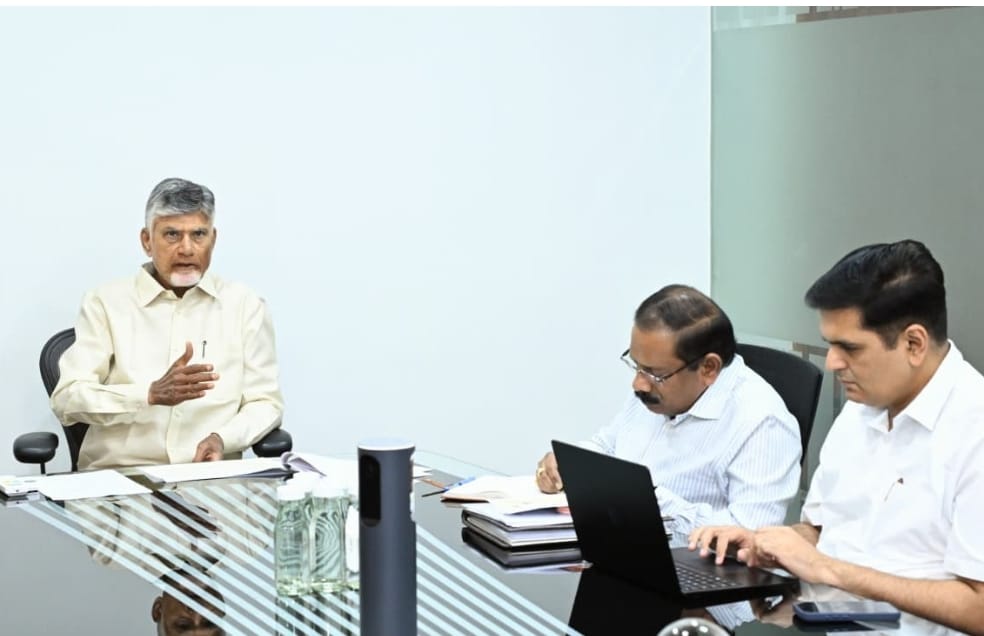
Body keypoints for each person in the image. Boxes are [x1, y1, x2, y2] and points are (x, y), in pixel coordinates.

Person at [689, 240, 984, 634]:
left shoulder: (973, 429)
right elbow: (821, 531)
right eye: (830, 344)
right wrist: (766, 545)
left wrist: (828, 570)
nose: (832, 362)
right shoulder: (863, 406)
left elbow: (978, 608)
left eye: (849, 348)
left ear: (913, 344)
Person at [51, 177, 284, 470]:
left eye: (198, 234)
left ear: (213, 239)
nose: (187, 249)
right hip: (121, 478)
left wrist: (222, 439)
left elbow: (265, 403)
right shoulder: (104, 303)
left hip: (208, 477)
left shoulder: (246, 306)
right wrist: (148, 394)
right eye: (172, 235)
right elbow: (67, 398)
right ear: (147, 241)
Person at [536, 285, 802, 536]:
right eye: (637, 366)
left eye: (654, 373)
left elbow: (750, 537)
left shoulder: (762, 423)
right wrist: (567, 464)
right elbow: (609, 446)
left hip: (689, 564)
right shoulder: (655, 389)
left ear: (708, 368)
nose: (638, 383)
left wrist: (647, 500)